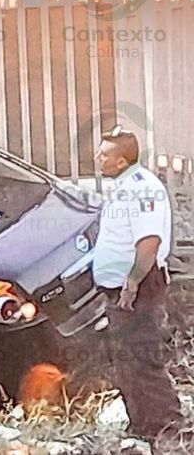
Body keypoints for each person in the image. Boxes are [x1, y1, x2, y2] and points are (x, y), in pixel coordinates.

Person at [93, 126, 184, 443]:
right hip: (121, 288)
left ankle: (167, 425)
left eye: (104, 154)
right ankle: (142, 425)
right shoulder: (124, 186)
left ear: (121, 161)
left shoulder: (142, 188)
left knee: (142, 358)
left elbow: (148, 243)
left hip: (138, 288)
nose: (98, 158)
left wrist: (131, 285)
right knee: (126, 360)